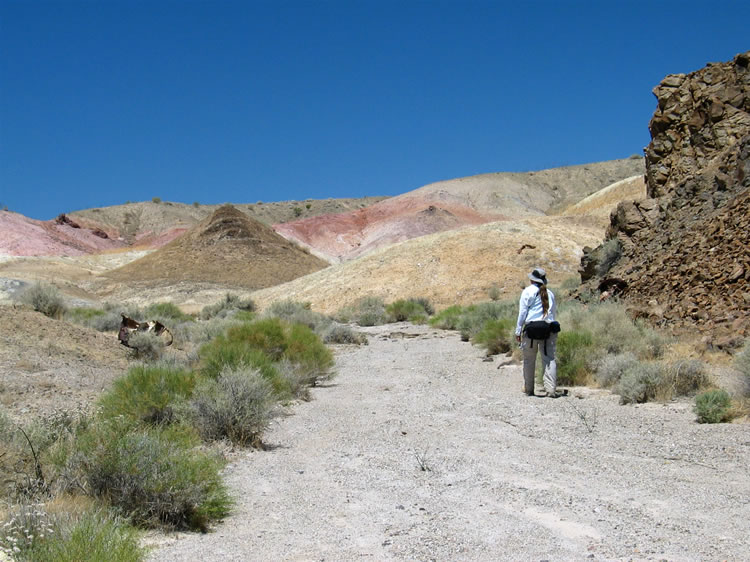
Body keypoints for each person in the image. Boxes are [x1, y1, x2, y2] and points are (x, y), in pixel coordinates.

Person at [515, 267, 558, 397]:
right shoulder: (550, 293)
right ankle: (550, 390)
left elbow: (523, 313)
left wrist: (518, 331)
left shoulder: (527, 292)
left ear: (531, 280)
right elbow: (553, 313)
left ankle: (529, 389)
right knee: (549, 359)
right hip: (548, 329)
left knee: (529, 360)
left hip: (531, 330)